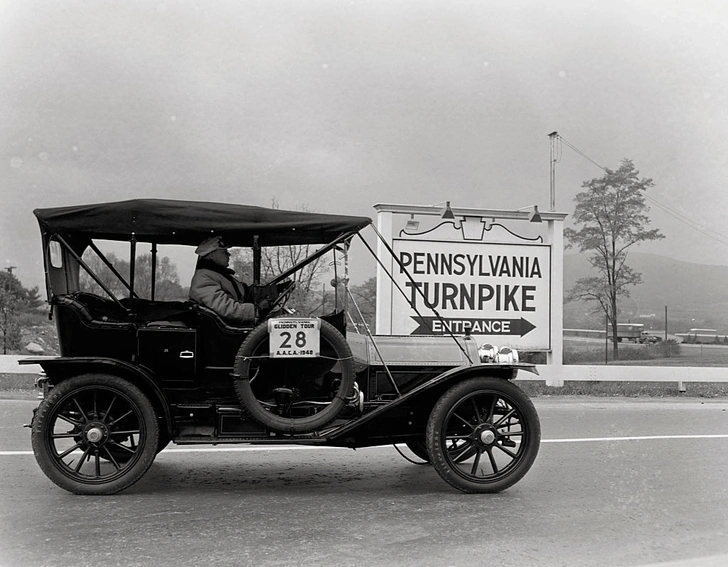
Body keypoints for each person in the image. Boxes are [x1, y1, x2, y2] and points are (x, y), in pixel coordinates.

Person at [189, 236, 267, 325]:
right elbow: (225, 308)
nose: (229, 255)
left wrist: (272, 291)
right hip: (224, 331)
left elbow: (243, 293)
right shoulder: (204, 278)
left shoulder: (218, 274)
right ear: (212, 255)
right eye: (224, 252)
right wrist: (256, 311)